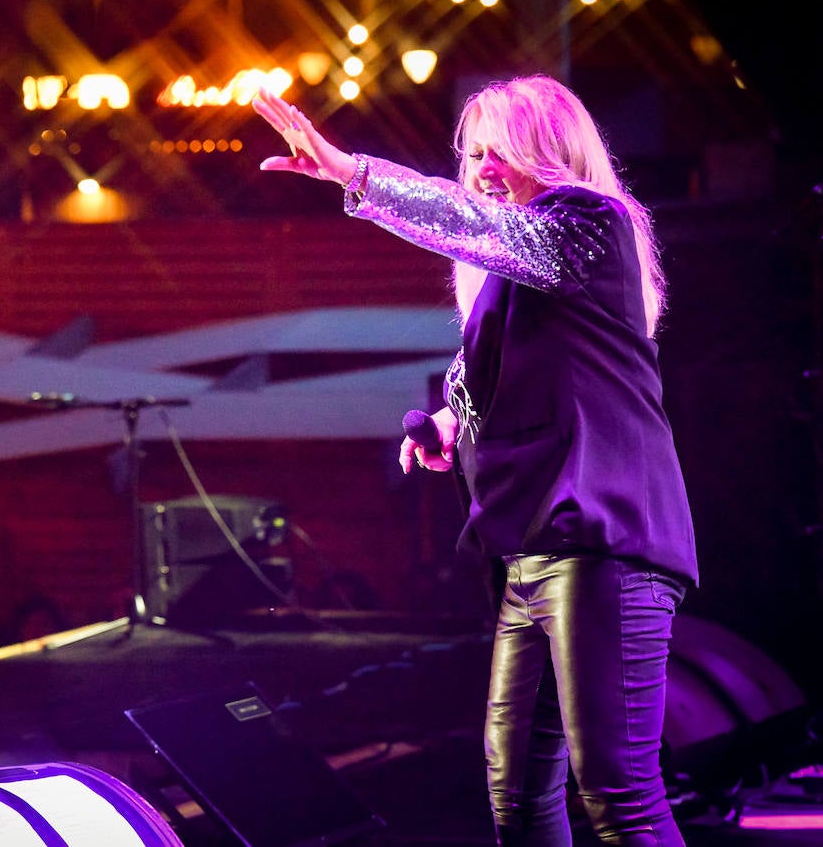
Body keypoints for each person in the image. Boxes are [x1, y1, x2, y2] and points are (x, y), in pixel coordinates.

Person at [253, 76, 697, 847]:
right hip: (532, 549)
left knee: (619, 792)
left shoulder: (589, 222)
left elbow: (476, 226)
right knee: (517, 794)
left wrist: (353, 173)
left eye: (504, 150)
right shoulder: (513, 267)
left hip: (603, 543)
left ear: (550, 149)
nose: (485, 167)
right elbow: (485, 371)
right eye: (476, 152)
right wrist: (446, 424)